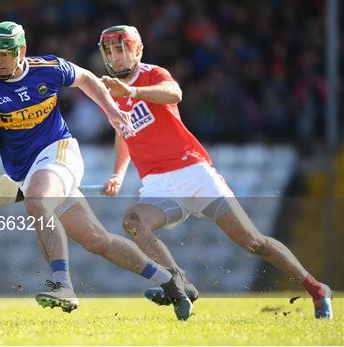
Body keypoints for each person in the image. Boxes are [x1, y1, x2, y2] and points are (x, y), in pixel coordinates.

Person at [0, 21, 193, 319]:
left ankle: (62, 285)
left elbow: (87, 79)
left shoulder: (49, 67)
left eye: (4, 54)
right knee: (97, 241)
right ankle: (169, 280)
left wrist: (111, 111)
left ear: (22, 52)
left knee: (36, 201)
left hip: (60, 151)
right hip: (28, 171)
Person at [98, 25, 333, 319]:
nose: (116, 57)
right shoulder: (110, 95)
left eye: (121, 49)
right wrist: (118, 173)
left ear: (137, 50)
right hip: (157, 185)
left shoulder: (152, 74)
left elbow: (174, 94)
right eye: (110, 51)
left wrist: (131, 90)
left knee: (253, 242)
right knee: (133, 221)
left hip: (193, 172)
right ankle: (179, 281)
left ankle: (316, 288)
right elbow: (123, 134)